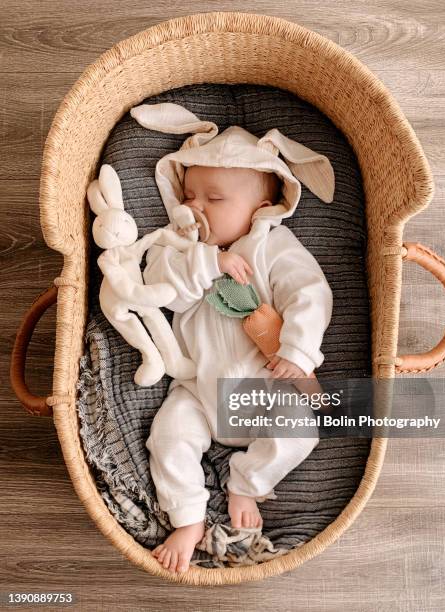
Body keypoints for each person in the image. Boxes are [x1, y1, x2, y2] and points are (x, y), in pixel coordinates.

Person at [112, 102, 335, 573]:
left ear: (263, 207)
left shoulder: (275, 247)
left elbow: (309, 294)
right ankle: (189, 517)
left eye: (214, 200)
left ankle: (247, 481)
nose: (195, 207)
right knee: (167, 437)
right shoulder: (180, 250)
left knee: (300, 429)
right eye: (189, 196)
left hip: (267, 386)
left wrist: (297, 350)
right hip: (198, 391)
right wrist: (207, 263)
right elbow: (161, 294)